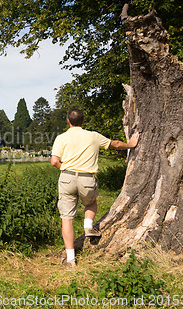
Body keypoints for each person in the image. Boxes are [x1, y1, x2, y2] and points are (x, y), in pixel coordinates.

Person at [50, 109, 139, 267]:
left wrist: (67, 168)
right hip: (87, 178)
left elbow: (54, 161)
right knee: (91, 203)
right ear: (83, 122)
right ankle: (88, 227)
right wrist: (131, 144)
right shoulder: (93, 135)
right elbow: (115, 144)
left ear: (68, 122)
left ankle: (70, 259)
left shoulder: (61, 137)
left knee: (67, 219)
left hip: (67, 177)